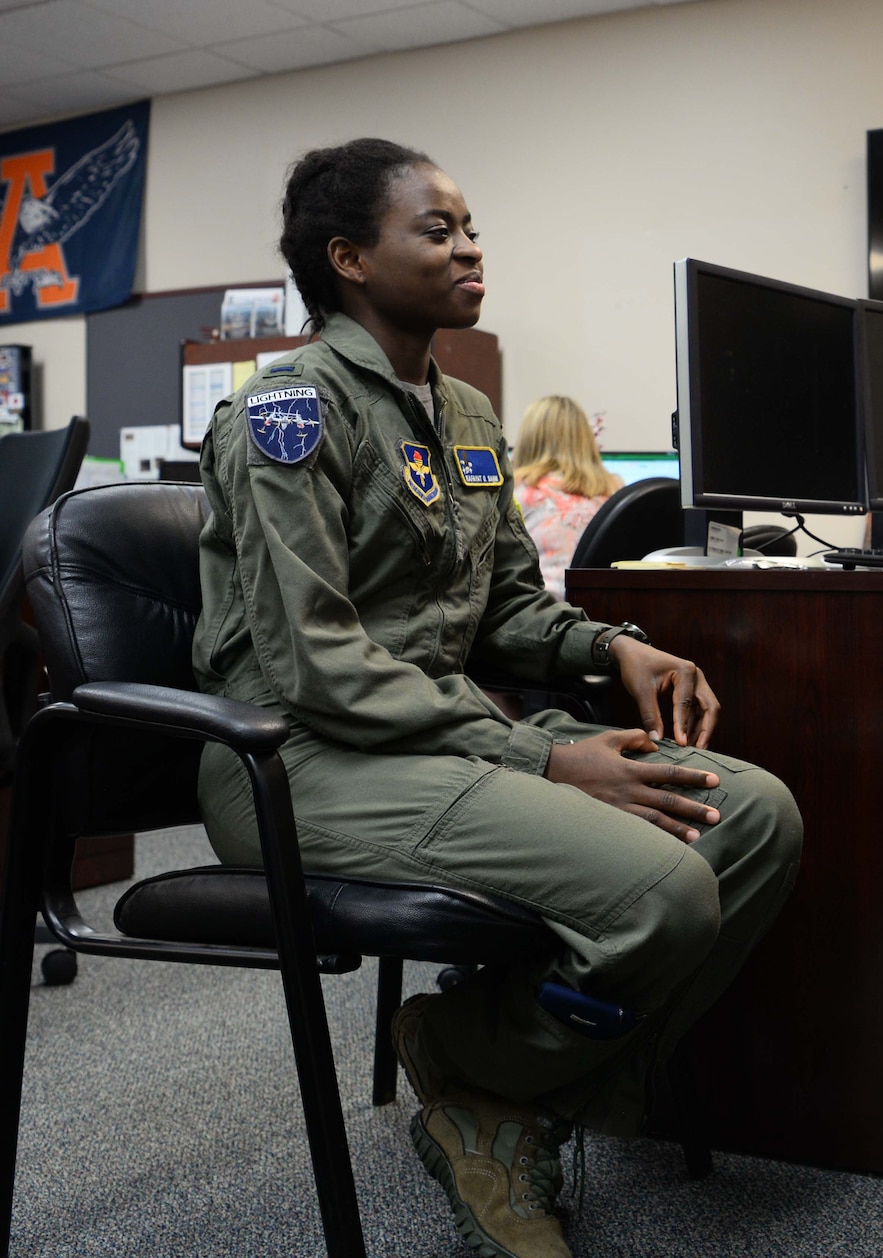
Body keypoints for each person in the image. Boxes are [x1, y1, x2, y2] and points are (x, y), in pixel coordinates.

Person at [192, 138, 803, 1258]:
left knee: (755, 815)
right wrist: (546, 758)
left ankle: (495, 1090)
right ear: (350, 260)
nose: (469, 246)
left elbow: (506, 611)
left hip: (444, 734)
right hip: (301, 760)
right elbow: (316, 666)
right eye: (436, 229)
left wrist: (613, 645)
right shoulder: (287, 412)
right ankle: (489, 1072)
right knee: (666, 893)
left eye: (471, 228)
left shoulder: (469, 416)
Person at [513, 395, 622, 598]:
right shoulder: (616, 490)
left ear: (529, 441)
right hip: (605, 614)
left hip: (543, 615)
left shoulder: (519, 491)